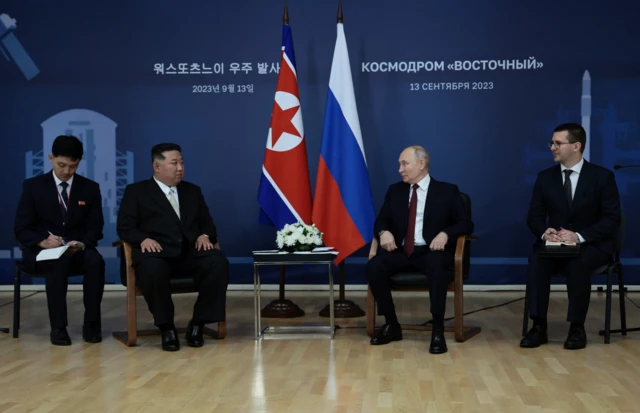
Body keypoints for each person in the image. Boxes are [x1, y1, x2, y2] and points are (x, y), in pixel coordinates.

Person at [117, 143, 229, 351]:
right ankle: (166, 327)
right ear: (157, 167)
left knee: (217, 262)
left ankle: (198, 324)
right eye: (174, 163)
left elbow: (208, 224)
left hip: (189, 254)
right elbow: (125, 227)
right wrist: (142, 239)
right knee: (152, 269)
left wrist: (205, 235)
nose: (180, 168)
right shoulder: (137, 192)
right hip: (157, 255)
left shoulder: (192, 191)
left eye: (182, 163)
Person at [521, 122, 621, 350]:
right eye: (552, 143)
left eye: (558, 143)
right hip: (555, 245)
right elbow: (534, 217)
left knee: (578, 262)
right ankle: (538, 326)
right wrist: (545, 232)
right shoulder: (545, 178)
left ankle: (577, 327)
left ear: (576, 146)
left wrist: (579, 236)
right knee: (537, 260)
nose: (552, 148)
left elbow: (611, 219)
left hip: (591, 245)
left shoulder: (602, 177)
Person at [367, 145, 474, 354]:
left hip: (431, 253)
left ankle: (437, 329)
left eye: (404, 163)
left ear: (421, 164)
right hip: (401, 251)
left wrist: (445, 234)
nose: (400, 169)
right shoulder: (395, 191)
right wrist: (383, 233)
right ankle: (391, 325)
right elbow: (381, 220)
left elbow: (466, 224)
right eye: (399, 164)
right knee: (374, 266)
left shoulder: (447, 191)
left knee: (436, 265)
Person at [14, 135, 105, 346]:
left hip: (76, 250)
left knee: (96, 262)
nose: (66, 171)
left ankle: (91, 323)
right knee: (57, 262)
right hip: (43, 252)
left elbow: (95, 227)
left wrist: (82, 243)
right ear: (50, 158)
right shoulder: (33, 186)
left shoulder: (90, 188)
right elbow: (21, 228)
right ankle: (58, 327)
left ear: (79, 163)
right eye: (61, 165)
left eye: (72, 166)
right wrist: (42, 241)